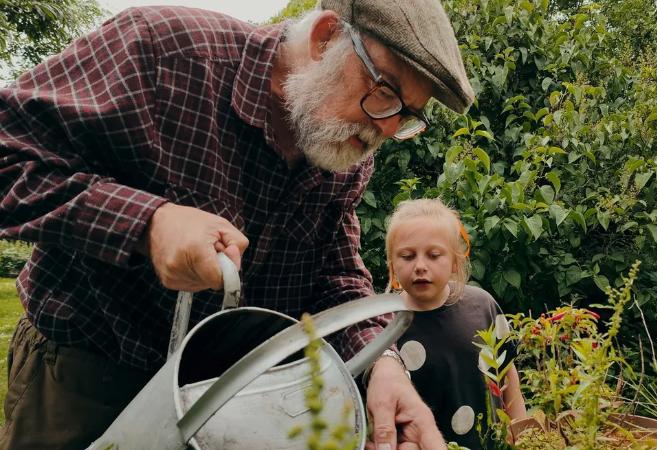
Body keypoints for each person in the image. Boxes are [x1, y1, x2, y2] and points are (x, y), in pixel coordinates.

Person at [0, 0, 475, 448]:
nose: (389, 129)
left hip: (231, 400)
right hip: (83, 380)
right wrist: (148, 223)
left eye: (408, 114)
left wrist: (381, 362)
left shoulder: (345, 151)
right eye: (387, 91)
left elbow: (335, 277)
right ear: (327, 38)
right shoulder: (163, 52)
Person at [384, 199, 528, 449]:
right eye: (407, 256)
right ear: (392, 264)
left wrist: (521, 433)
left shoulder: (482, 306)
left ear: (454, 261)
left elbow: (508, 375)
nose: (420, 266)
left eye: (433, 255)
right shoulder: (384, 326)